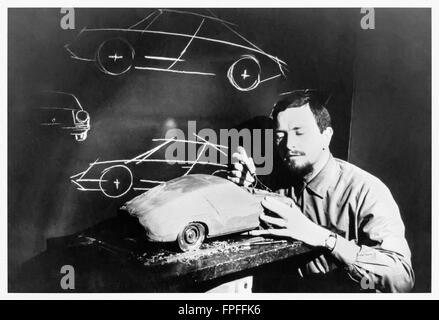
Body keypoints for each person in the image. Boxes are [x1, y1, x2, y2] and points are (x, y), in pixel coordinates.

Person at [227, 91, 414, 293]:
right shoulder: (278, 181)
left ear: (326, 136)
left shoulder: (366, 191)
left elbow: (401, 278)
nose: (289, 145)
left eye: (300, 132)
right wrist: (247, 190)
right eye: (280, 136)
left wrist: (326, 239)